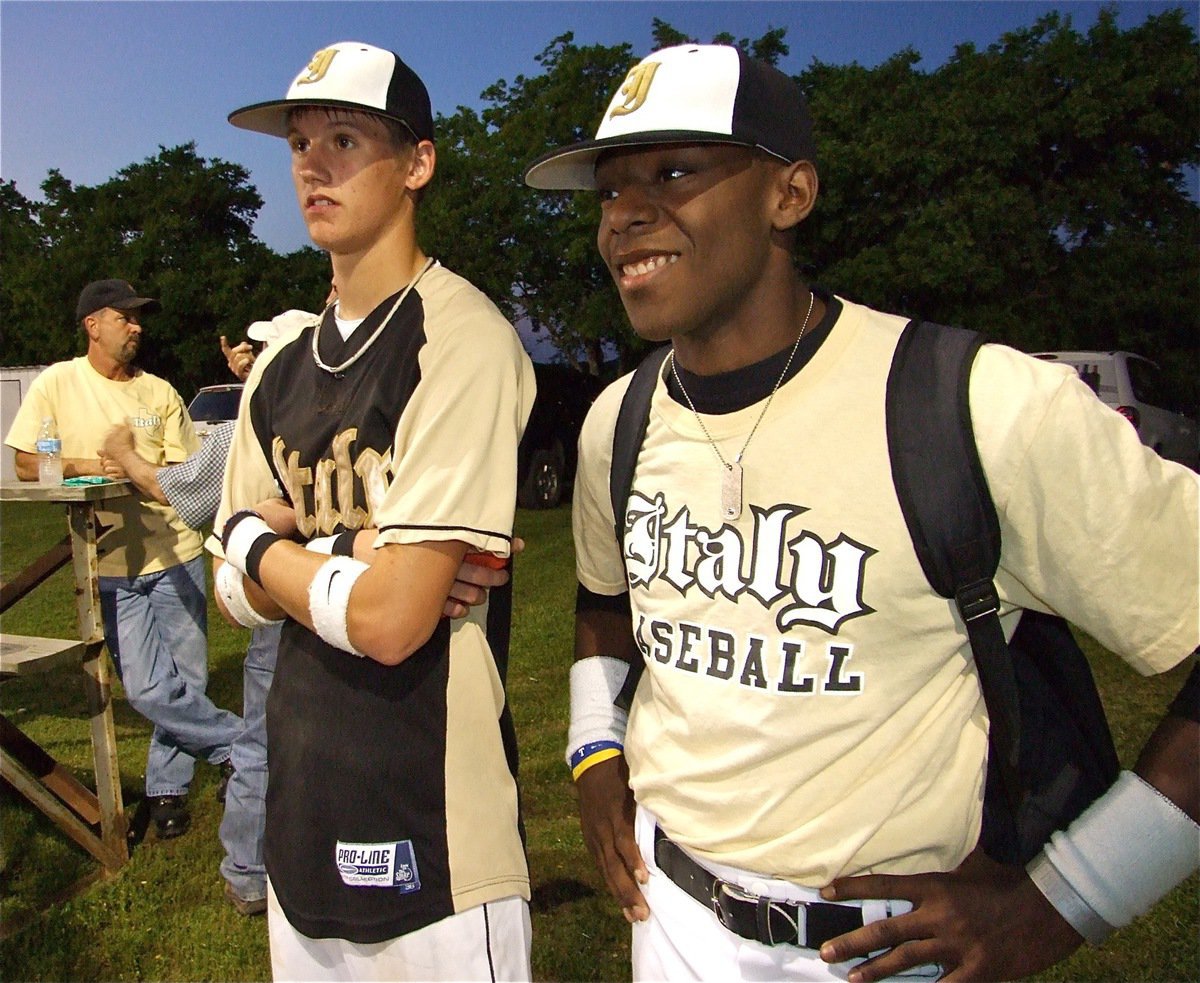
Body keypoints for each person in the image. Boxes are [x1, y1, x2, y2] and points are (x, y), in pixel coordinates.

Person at [524, 43, 1199, 982]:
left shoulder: (974, 402)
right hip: (670, 919)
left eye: (674, 171)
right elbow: (604, 599)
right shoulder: (618, 420)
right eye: (606, 188)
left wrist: (1065, 901)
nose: (624, 214)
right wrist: (594, 748)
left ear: (788, 194)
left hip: (884, 948)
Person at [213, 41, 537, 978]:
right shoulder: (276, 367)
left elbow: (395, 624)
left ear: (418, 164)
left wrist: (251, 538)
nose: (313, 164)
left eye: (346, 138)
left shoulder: (462, 337)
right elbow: (231, 598)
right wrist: (355, 550)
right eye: (300, 142)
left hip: (430, 827)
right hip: (300, 818)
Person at [101, 325, 520, 919]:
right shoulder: (255, 421)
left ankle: (245, 865)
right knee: (252, 731)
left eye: (262, 351)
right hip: (294, 650)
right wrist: (343, 550)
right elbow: (232, 579)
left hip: (423, 766)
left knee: (254, 734)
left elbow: (390, 609)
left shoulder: (442, 377)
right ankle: (247, 867)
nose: (254, 361)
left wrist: (254, 539)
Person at [5, 278, 243, 840]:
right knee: (145, 688)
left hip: (174, 552)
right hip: (109, 562)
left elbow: (187, 480)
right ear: (93, 324)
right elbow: (22, 464)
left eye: (140, 318)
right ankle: (242, 742)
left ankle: (166, 791)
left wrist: (140, 468)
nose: (137, 326)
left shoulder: (159, 392)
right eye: (125, 317)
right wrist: (92, 464)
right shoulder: (58, 385)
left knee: (186, 679)